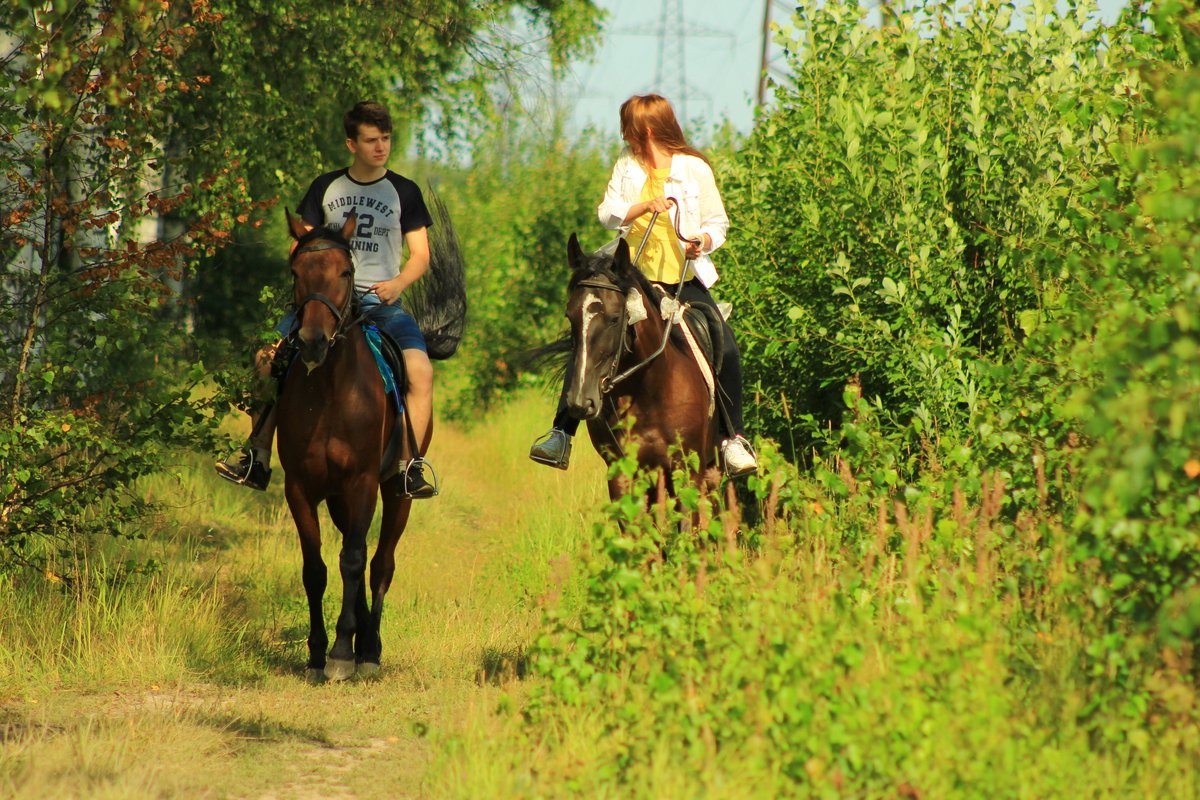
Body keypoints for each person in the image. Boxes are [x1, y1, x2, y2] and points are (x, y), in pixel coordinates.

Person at [215, 100, 438, 498]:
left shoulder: (405, 191)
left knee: (420, 371)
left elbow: (421, 255)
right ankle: (258, 457)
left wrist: (397, 284)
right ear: (351, 144)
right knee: (266, 360)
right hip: (324, 302)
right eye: (371, 140)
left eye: (385, 139)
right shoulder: (325, 187)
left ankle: (409, 467)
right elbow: (300, 245)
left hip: (380, 302)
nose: (380, 148)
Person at [528, 93, 757, 477]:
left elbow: (719, 223)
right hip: (633, 277)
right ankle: (561, 432)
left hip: (683, 278)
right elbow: (608, 214)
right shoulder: (626, 165)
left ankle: (731, 440)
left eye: (628, 128)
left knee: (726, 344)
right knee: (591, 335)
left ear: (646, 129)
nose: (624, 135)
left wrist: (701, 241)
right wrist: (642, 207)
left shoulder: (695, 168)